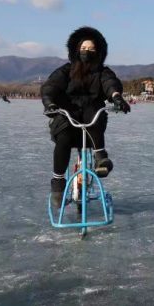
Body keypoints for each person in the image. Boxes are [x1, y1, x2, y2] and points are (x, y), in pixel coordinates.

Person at [41, 26, 131, 208]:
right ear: (76, 50)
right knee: (63, 139)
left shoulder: (102, 72)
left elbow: (110, 84)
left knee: (94, 110)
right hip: (68, 120)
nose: (87, 52)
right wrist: (50, 103)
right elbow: (51, 86)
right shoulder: (66, 71)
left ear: (98, 52)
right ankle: (58, 183)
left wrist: (116, 97)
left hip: (92, 126)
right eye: (83, 49)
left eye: (91, 49)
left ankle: (100, 156)